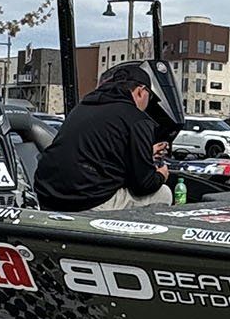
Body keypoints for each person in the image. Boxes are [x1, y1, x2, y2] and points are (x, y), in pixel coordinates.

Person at [33, 63, 174, 212]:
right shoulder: (137, 119)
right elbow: (143, 185)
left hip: (47, 196)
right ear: (141, 91)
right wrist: (161, 175)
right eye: (150, 97)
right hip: (87, 201)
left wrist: (146, 152)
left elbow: (98, 153)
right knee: (164, 193)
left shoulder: (83, 107)